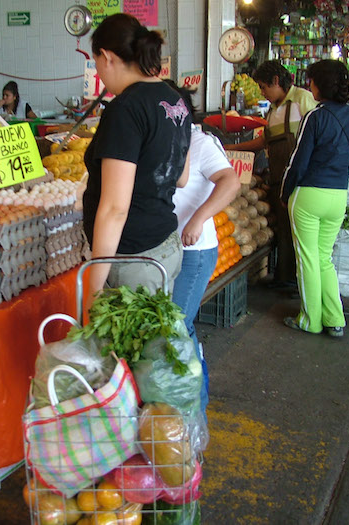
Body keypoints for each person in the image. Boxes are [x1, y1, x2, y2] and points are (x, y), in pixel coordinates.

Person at [82, 13, 191, 308]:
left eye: (96, 64)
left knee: (138, 353)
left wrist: (93, 288)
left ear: (106, 57)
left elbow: (115, 209)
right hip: (165, 245)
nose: (100, 75)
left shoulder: (125, 109)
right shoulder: (175, 98)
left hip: (134, 260)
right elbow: (181, 177)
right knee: (157, 345)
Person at [281, 60, 349, 337]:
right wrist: (342, 158)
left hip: (309, 196)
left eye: (310, 81)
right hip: (338, 196)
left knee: (308, 259)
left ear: (318, 85)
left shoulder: (315, 116)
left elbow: (298, 162)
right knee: (324, 259)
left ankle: (309, 320)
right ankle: (335, 319)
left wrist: (285, 193)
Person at [168, 82, 241, 416]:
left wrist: (198, 219)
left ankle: (192, 406)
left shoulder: (200, 142)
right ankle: (187, 402)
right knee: (178, 326)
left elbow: (231, 181)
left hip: (195, 252)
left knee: (177, 327)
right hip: (167, 251)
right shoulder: (165, 141)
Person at [226, 60, 317, 290]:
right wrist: (231, 149)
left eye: (264, 87)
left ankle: (299, 282)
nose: (263, 92)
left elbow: (317, 137)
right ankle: (284, 278)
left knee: (299, 231)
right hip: (279, 176)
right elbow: (264, 141)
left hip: (301, 178)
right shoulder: (275, 109)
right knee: (284, 229)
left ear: (276, 81)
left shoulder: (302, 99)